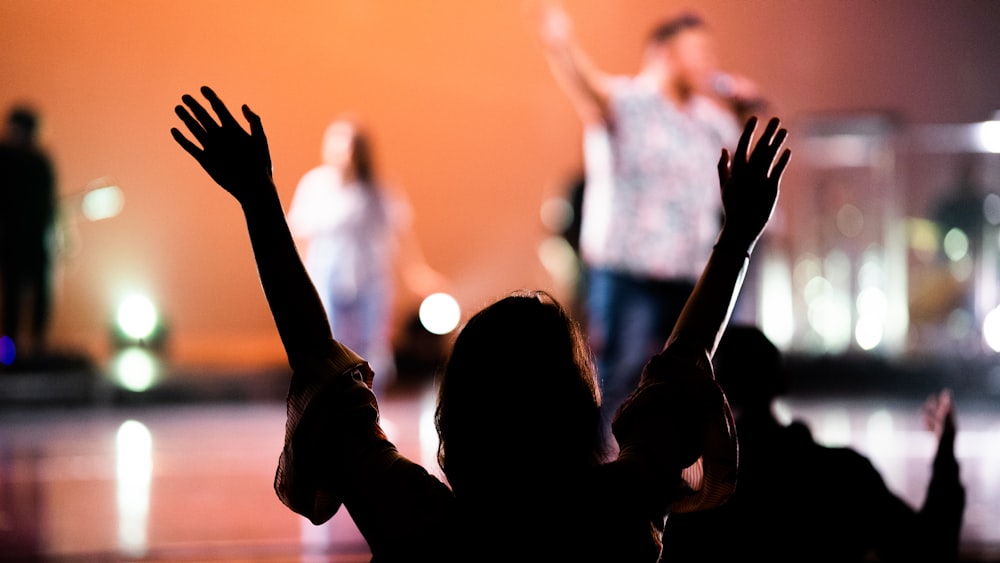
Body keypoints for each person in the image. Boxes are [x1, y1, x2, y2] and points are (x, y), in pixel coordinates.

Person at [170, 85, 790, 561]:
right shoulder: (615, 513)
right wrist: (735, 237)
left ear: (456, 411)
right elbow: (683, 367)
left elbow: (316, 359)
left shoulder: (422, 526)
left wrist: (257, 201)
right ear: (579, 405)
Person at [535, 4, 766, 430]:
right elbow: (583, 82)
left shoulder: (710, 119)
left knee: (695, 382)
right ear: (663, 52)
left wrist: (741, 112)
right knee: (619, 379)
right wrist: (560, 43)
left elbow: (750, 169)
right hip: (629, 273)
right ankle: (609, 477)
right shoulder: (627, 101)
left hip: (690, 275)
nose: (707, 62)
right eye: (696, 50)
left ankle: (684, 485)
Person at [660, 324, 967, 562]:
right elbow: (929, 551)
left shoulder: (690, 497)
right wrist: (945, 451)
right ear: (782, 382)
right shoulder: (844, 475)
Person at [287, 116, 445, 394]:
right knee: (330, 344)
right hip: (327, 277)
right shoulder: (315, 185)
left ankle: (371, 410)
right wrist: (301, 279)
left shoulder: (377, 189)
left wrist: (417, 273)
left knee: (373, 347)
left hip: (370, 278)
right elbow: (299, 234)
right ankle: (333, 410)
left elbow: (399, 234)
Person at [0, 105, 58, 362]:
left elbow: (48, 205)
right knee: (18, 294)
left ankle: (28, 348)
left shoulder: (38, 161)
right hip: (20, 239)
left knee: (30, 294)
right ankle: (18, 349)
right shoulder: (34, 161)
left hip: (28, 239)